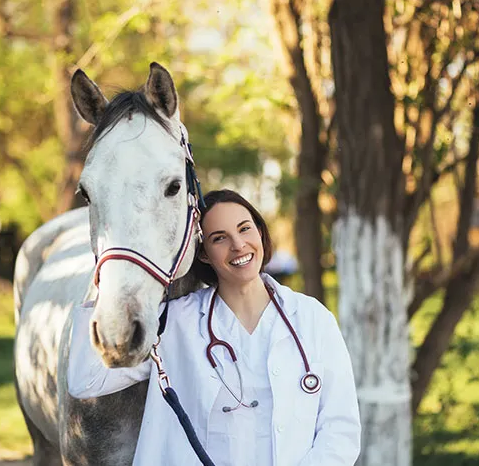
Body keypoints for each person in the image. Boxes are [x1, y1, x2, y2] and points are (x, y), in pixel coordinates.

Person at [68, 189, 361, 465]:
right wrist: (102, 294)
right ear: (204, 253)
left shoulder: (312, 319)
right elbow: (86, 380)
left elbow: (340, 428)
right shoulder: (175, 323)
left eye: (245, 228)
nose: (238, 245)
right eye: (219, 238)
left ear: (260, 232)